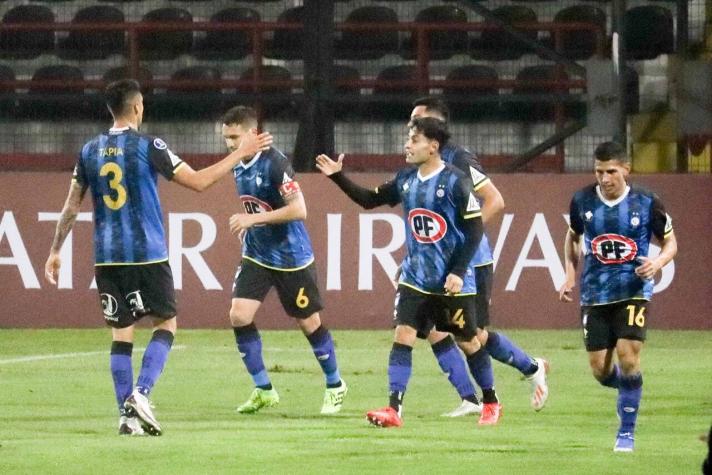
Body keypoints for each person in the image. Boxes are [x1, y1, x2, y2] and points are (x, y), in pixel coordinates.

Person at [44, 79, 273, 436]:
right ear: (137, 107)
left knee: (122, 334)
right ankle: (141, 393)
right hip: (146, 254)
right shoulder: (149, 146)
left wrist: (56, 249)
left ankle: (126, 417)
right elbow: (198, 182)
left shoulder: (88, 150)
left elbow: (71, 205)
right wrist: (238, 154)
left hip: (106, 257)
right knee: (166, 324)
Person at [316, 117, 486, 428]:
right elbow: (370, 200)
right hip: (416, 276)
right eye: (408, 138)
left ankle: (487, 399)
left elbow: (475, 231)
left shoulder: (455, 180)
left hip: (449, 278)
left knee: (470, 340)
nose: (407, 145)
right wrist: (338, 177)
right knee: (404, 334)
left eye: (414, 139)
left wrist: (459, 270)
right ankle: (395, 409)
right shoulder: (407, 178)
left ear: (433, 147)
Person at [410, 97, 549, 422]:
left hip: (470, 262)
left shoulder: (459, 157)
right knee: (429, 327)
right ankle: (469, 398)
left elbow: (495, 200)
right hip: (437, 262)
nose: (410, 126)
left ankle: (531, 367)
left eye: (417, 120)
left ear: (437, 125)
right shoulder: (418, 158)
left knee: (472, 336)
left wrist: (461, 241)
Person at [222, 106, 347, 415]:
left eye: (235, 137)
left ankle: (335, 385)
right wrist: (254, 224)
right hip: (258, 254)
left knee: (309, 323)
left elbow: (299, 210)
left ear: (252, 134)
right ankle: (264, 389)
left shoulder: (276, 163)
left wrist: (254, 220)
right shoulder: (237, 164)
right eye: (225, 137)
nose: (229, 144)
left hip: (292, 257)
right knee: (239, 315)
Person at [558, 141, 677, 452]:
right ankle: (631, 388)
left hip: (633, 291)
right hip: (594, 293)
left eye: (611, 171)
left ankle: (626, 432)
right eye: (599, 171)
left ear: (626, 169)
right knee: (600, 370)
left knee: (628, 356)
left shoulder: (646, 202)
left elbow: (670, 242)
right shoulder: (582, 200)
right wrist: (570, 274)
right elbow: (573, 236)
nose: (605, 178)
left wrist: (657, 262)